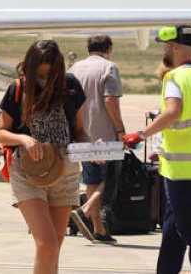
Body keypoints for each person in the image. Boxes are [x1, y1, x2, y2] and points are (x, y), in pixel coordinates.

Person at [123, 25, 191, 274]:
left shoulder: (175, 78)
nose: (165, 51)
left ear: (176, 47)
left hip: (183, 168)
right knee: (173, 220)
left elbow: (172, 112)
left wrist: (141, 134)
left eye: (167, 46)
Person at [0, 39, 87, 274]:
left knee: (54, 248)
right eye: (39, 75)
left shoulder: (70, 86)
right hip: (29, 171)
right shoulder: (18, 88)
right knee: (47, 245)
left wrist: (92, 148)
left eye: (49, 75)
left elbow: (79, 131)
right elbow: (0, 133)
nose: (43, 80)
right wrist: (24, 139)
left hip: (64, 169)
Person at [67, 33, 126, 244]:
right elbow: (110, 100)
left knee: (92, 179)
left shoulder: (74, 69)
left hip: (81, 133)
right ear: (108, 49)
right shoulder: (109, 67)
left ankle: (97, 228)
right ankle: (85, 210)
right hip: (105, 134)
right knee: (109, 179)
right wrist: (120, 129)